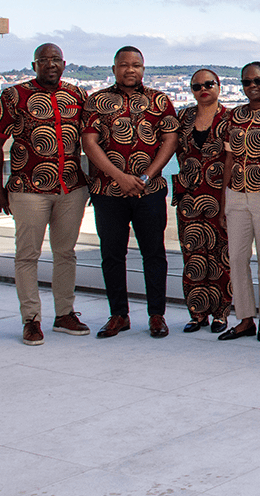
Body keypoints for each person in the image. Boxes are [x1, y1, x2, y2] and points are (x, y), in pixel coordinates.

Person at [0, 43, 92, 346]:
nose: (50, 64)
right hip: (27, 188)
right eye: (43, 60)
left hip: (71, 187)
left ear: (64, 64)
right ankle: (31, 319)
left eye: (55, 59)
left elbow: (91, 141)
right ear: (34, 65)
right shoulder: (14, 95)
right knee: (27, 255)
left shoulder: (77, 95)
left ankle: (64, 314)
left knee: (66, 253)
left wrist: (93, 183)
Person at [81, 46, 180, 339]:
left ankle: (157, 315)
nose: (130, 70)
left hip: (150, 191)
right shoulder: (97, 100)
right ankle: (118, 315)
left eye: (136, 65)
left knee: (154, 253)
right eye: (124, 65)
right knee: (112, 254)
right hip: (108, 191)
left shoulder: (159, 100)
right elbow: (89, 143)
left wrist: (146, 176)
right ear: (114, 69)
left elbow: (170, 140)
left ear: (143, 69)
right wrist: (120, 178)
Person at [218, 62, 260, 342]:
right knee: (237, 258)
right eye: (246, 82)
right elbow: (229, 158)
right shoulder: (235, 115)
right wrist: (224, 200)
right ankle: (245, 319)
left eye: (257, 80)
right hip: (236, 195)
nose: (252, 86)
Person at [173, 68, 233, 335]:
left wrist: (226, 199)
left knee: (221, 257)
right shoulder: (183, 117)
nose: (203, 89)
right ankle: (197, 313)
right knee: (193, 255)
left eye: (209, 84)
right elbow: (174, 148)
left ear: (219, 86)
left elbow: (232, 159)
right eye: (197, 86)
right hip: (189, 197)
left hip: (219, 196)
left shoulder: (230, 118)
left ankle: (221, 313)